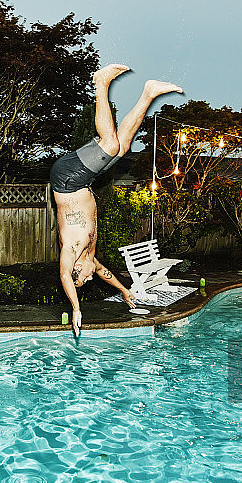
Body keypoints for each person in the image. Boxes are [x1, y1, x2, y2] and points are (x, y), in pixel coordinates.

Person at [51, 64, 183, 336]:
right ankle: (149, 93)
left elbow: (65, 276)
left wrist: (76, 308)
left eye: (84, 277)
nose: (91, 277)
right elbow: (104, 273)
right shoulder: (88, 257)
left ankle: (100, 82)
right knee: (122, 147)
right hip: (80, 182)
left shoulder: (71, 251)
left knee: (109, 144)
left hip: (67, 180)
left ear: (77, 268)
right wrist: (124, 290)